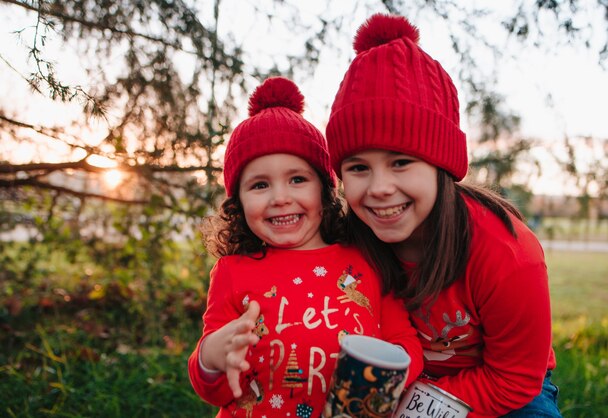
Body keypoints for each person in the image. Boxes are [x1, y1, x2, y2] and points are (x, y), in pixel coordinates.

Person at [325, 14, 562, 418]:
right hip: (387, 383)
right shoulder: (347, 241)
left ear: (442, 166)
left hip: (499, 389)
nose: (379, 187)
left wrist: (411, 408)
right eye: (358, 168)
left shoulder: (507, 253)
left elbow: (516, 379)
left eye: (401, 162)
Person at [187, 76, 423, 417]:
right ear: (237, 201)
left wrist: (392, 372)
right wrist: (210, 358)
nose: (281, 198)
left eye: (298, 179)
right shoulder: (232, 272)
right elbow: (220, 391)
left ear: (324, 189)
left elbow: (405, 339)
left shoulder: (366, 259)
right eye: (260, 185)